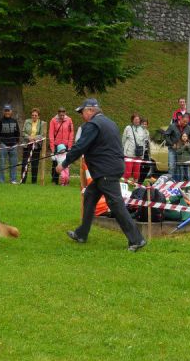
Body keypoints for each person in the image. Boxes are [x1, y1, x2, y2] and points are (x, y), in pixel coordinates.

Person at [57, 98, 146, 252]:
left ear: (91, 110)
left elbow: (80, 146)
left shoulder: (93, 125)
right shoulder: (109, 122)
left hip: (106, 170)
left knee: (116, 204)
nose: (82, 116)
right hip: (110, 168)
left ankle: (137, 239)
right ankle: (81, 234)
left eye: (82, 112)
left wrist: (64, 164)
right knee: (90, 197)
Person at [0, 104, 21, 184]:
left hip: (13, 145)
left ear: (11, 111)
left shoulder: (14, 121)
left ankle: (13, 180)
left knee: (13, 164)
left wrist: (16, 142)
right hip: (3, 145)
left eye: (8, 110)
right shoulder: (0, 121)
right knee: (2, 164)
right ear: (3, 111)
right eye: (6, 110)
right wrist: (0, 142)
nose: (7, 112)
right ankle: (1, 180)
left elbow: (17, 132)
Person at [48, 107, 74, 185]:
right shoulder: (53, 120)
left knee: (66, 162)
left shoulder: (69, 120)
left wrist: (69, 146)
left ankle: (66, 180)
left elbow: (71, 133)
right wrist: (52, 148)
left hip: (65, 145)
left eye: (63, 115)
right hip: (57, 144)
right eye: (60, 115)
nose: (62, 117)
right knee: (55, 162)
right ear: (58, 114)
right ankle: (54, 180)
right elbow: (51, 134)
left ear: (65, 113)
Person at [21, 108, 45, 184]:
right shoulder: (27, 122)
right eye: (33, 115)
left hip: (36, 146)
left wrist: (34, 138)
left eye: (36, 115)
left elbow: (42, 135)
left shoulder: (42, 123)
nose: (34, 116)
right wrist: (29, 137)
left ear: (38, 116)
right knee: (25, 163)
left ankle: (33, 182)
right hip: (27, 145)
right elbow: (23, 132)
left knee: (35, 164)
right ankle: (23, 180)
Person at [122, 113, 150, 181]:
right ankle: (124, 184)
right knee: (128, 172)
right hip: (129, 154)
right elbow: (123, 140)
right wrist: (123, 150)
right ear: (132, 120)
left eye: (138, 119)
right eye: (135, 119)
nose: (137, 121)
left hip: (138, 154)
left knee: (136, 173)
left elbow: (144, 143)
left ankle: (136, 186)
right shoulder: (128, 128)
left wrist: (142, 155)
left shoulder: (142, 130)